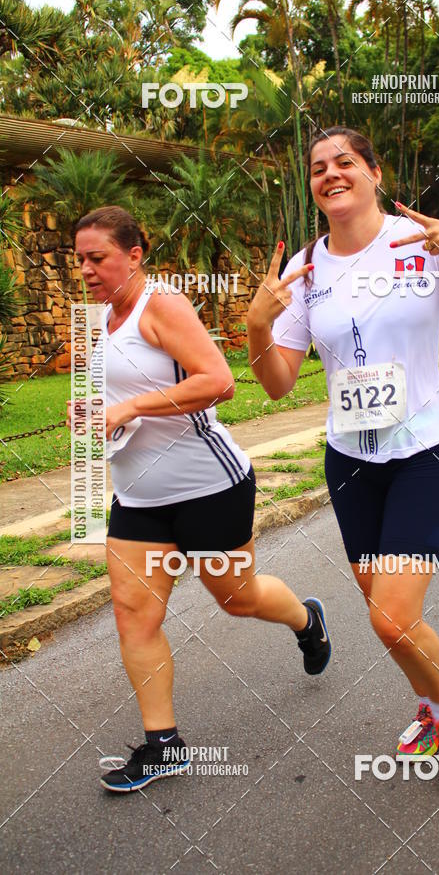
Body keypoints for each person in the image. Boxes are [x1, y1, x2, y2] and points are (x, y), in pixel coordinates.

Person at [246, 127, 439, 786]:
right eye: (319, 167)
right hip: (351, 464)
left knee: (390, 617)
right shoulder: (305, 270)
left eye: (345, 162)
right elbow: (276, 383)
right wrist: (257, 327)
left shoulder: (422, 241)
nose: (331, 174)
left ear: (374, 172)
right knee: (388, 618)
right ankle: (427, 703)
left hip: (424, 455)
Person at [69, 205, 331, 793]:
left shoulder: (160, 305)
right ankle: (164, 745)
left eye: (98, 257)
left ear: (134, 255)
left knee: (237, 599)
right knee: (134, 613)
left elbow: (218, 380)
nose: (85, 269)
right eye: (79, 258)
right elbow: (111, 393)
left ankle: (306, 618)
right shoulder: (94, 318)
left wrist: (132, 408)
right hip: (137, 495)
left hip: (207, 487)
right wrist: (90, 413)